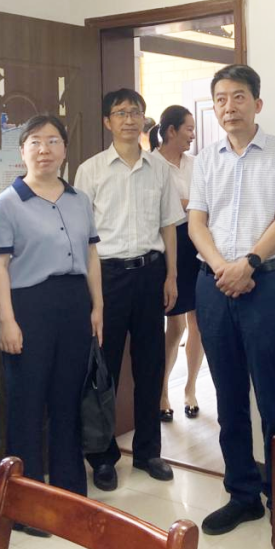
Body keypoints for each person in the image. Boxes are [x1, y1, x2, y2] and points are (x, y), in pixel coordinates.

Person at [187, 65, 275, 547]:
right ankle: (242, 493)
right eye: (220, 99)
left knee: (273, 398)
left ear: (257, 103)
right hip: (214, 286)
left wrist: (249, 263)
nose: (228, 106)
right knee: (228, 395)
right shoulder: (205, 159)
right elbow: (196, 222)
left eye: (238, 97)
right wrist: (223, 268)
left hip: (266, 283)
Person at [0, 115, 103, 520]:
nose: (44, 149)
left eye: (53, 141)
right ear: (22, 152)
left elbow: (91, 254)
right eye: (35, 141)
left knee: (68, 401)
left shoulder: (79, 199)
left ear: (65, 150)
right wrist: (7, 321)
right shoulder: (6, 203)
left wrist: (97, 306)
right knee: (27, 404)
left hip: (74, 304)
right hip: (29, 306)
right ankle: (27, 506)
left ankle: (70, 495)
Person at [75, 89, 183, 491]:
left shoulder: (160, 168)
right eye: (120, 113)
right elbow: (84, 236)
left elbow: (169, 224)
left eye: (135, 112)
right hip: (108, 277)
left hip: (151, 273)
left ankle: (148, 451)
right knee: (103, 367)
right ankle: (102, 457)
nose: (129, 119)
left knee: (150, 365)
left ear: (144, 119)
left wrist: (171, 276)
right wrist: (91, 292)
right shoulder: (90, 170)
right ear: (107, 122)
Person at [148, 105, 204, 422]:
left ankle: (191, 389)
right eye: (188, 129)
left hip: (198, 242)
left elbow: (204, 203)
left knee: (199, 321)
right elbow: (162, 208)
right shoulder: (151, 164)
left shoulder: (196, 164)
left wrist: (191, 205)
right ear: (171, 131)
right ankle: (162, 392)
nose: (193, 135)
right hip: (168, 245)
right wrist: (193, 204)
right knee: (175, 323)